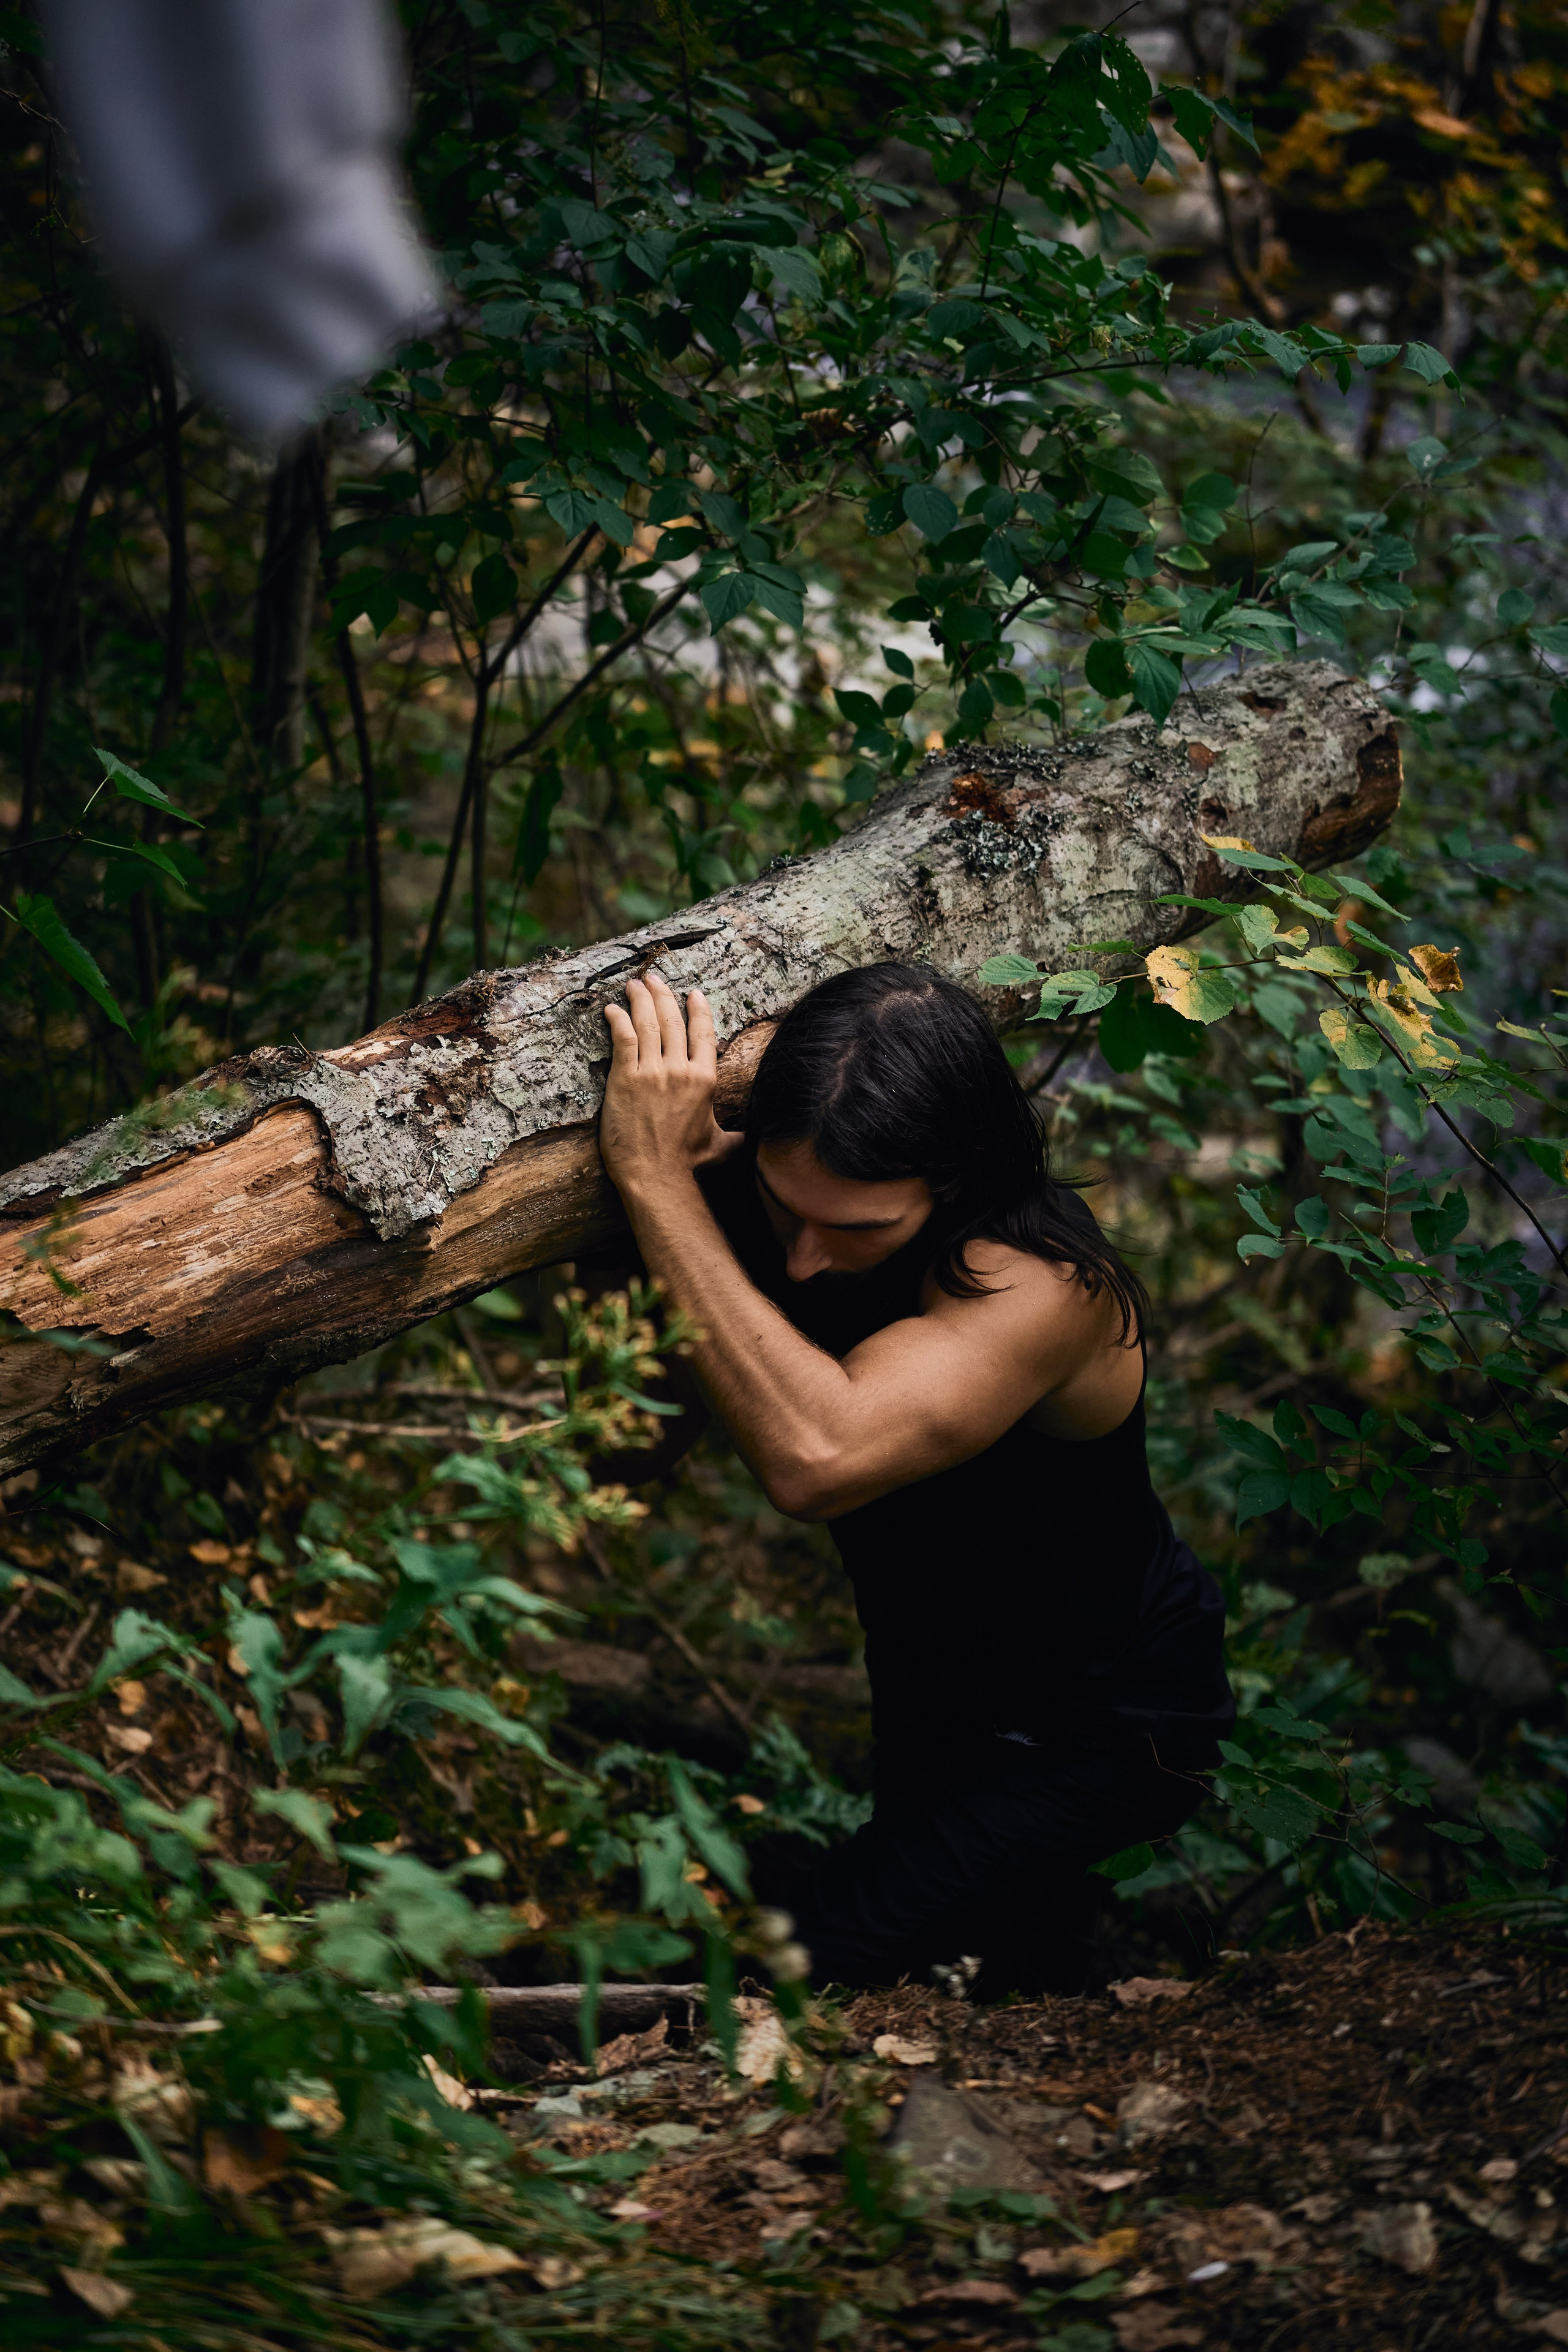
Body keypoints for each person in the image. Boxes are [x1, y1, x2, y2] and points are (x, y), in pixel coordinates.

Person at [597, 962, 1234, 1996]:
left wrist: (653, 1182)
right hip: (930, 1698)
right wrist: (677, 1218)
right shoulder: (795, 1205)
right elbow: (623, 1451)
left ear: (955, 1179)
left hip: (1101, 1726)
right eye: (783, 1208)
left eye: (858, 1231)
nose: (803, 1262)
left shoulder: (1045, 1285)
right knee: (1002, 1985)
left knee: (776, 1975)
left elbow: (815, 1459)